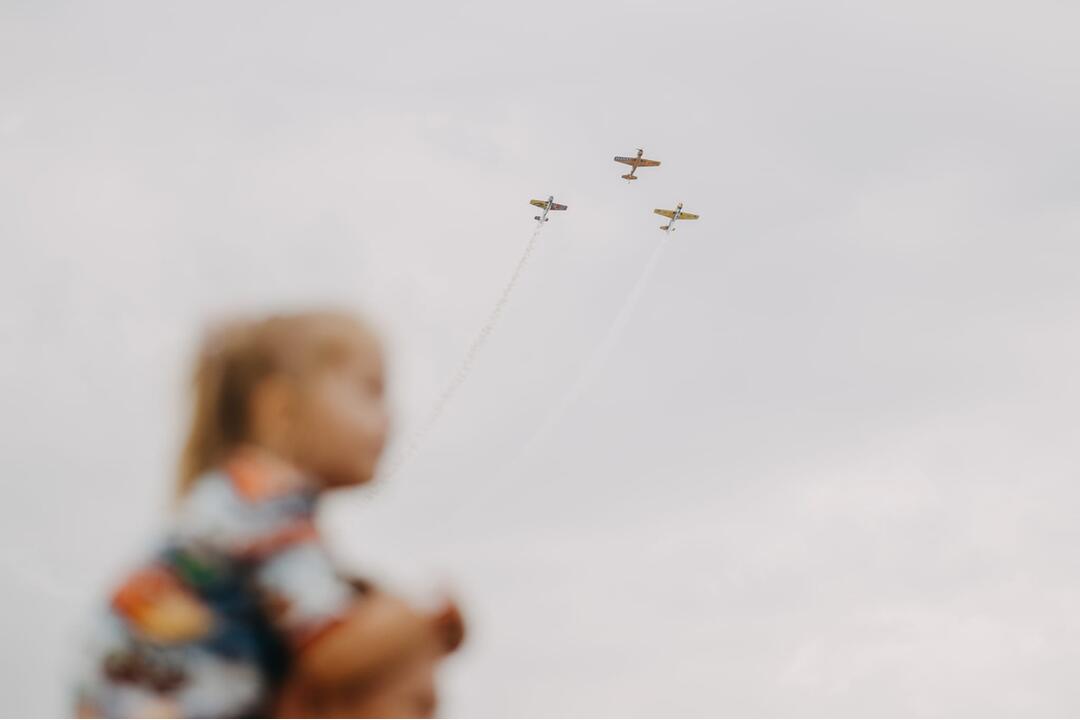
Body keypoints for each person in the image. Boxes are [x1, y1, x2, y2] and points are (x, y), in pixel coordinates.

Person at [74, 310, 462, 717]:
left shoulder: (235, 500)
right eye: (370, 389)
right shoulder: (267, 502)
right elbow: (329, 652)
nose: (389, 417)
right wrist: (428, 621)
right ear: (282, 410)